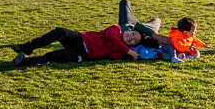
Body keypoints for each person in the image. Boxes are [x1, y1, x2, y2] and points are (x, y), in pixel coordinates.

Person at [10, 23, 143, 67]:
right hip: (80, 39)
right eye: (132, 34)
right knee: (59, 32)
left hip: (84, 54)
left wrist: (127, 54)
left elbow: (113, 57)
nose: (131, 38)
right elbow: (110, 37)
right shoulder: (116, 29)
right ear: (127, 30)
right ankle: (28, 47)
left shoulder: (121, 49)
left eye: (134, 40)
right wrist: (128, 50)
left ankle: (24, 62)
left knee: (56, 55)